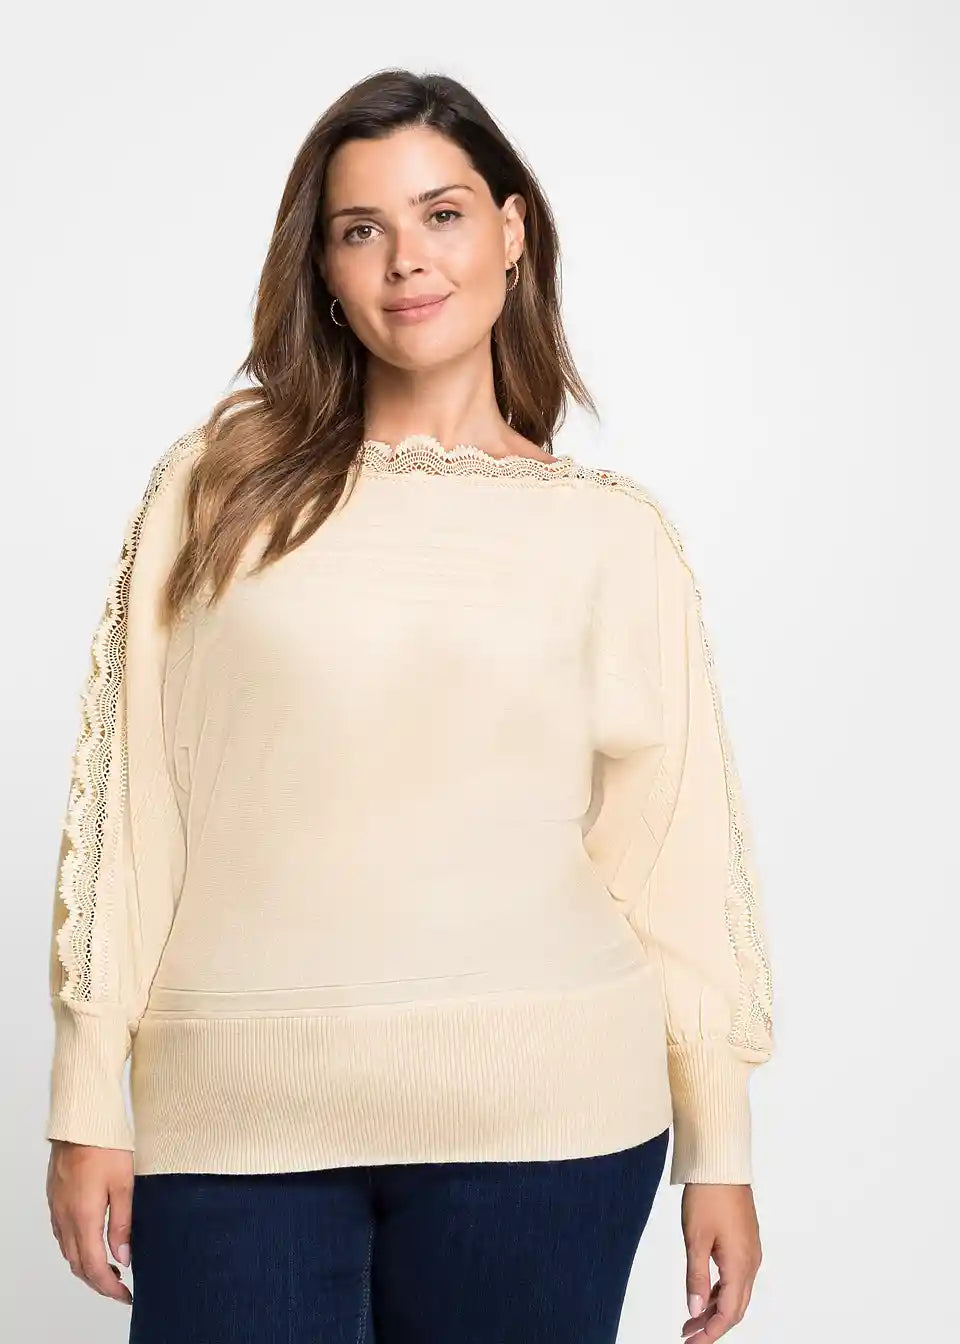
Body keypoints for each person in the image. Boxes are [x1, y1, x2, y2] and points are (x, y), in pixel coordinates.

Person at [43, 68, 775, 1344]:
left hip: (549, 1118)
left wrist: (720, 1145)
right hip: (239, 1113)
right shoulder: (220, 488)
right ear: (323, 269)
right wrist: (83, 1096)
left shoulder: (612, 537)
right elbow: (131, 808)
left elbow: (674, 857)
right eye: (360, 229)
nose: (406, 261)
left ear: (511, 231)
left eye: (442, 215)